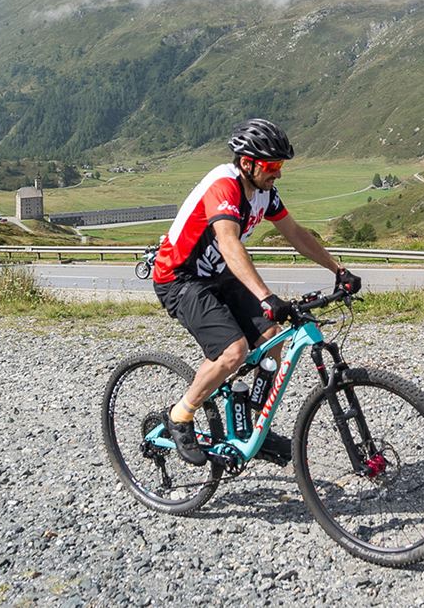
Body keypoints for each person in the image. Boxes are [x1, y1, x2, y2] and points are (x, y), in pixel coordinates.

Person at [154, 118, 362, 466]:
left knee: (271, 337)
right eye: (271, 166)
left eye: (281, 165)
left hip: (220, 275)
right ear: (247, 162)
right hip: (180, 278)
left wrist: (336, 270)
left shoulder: (264, 192)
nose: (278, 173)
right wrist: (266, 296)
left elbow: (295, 233)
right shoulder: (224, 186)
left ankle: (249, 428)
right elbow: (229, 241)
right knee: (233, 352)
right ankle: (180, 415)